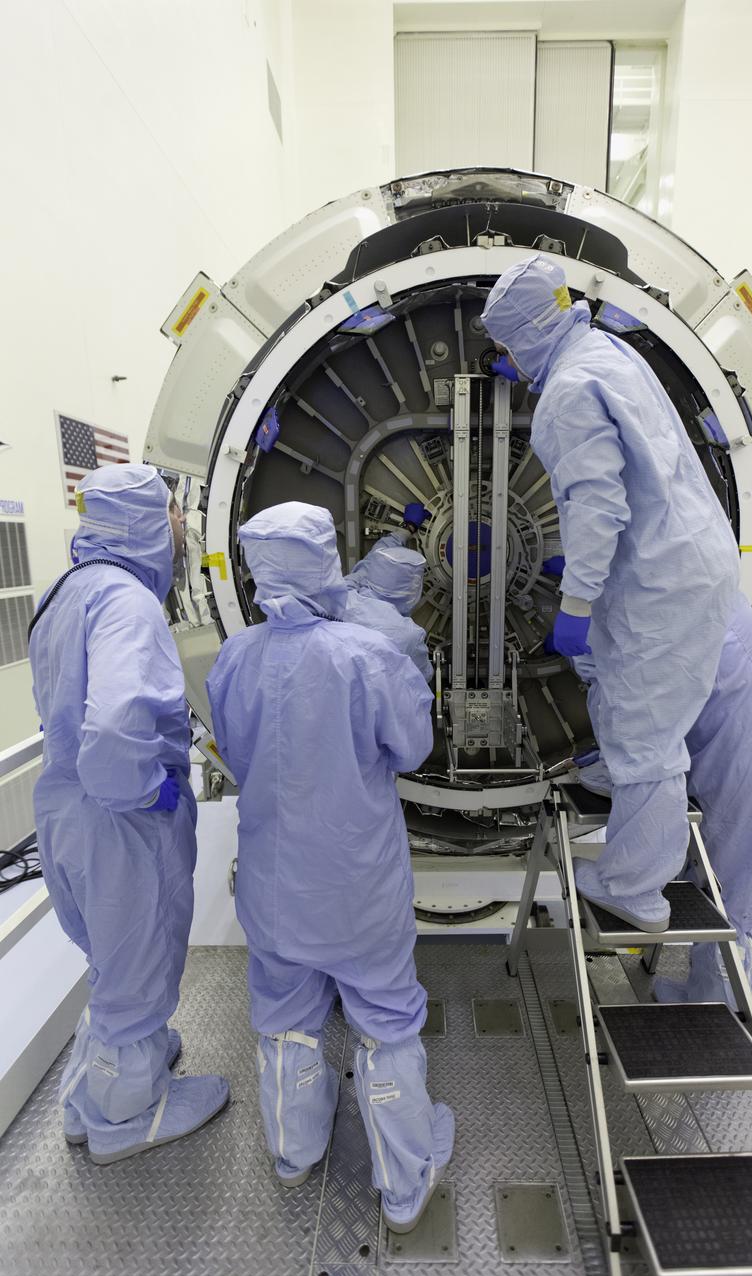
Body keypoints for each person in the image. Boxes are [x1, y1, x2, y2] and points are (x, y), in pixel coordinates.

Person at [206, 502, 453, 1232]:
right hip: (355, 880)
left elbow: (238, 755)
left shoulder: (233, 658)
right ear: (326, 564)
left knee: (284, 1014)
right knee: (383, 1015)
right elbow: (411, 750)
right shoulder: (367, 656)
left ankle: (293, 1153)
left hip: (273, 880)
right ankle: (405, 1183)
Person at [483, 254, 740, 931]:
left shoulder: (568, 391)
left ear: (529, 333)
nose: (506, 360)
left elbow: (595, 506)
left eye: (507, 346)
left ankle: (634, 887)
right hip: (679, 554)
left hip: (659, 572)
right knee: (617, 674)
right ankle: (615, 774)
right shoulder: (605, 351)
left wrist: (574, 604)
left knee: (647, 730)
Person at [29, 464, 229, 1164]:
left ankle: (95, 1092)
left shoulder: (67, 592)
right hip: (118, 821)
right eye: (174, 517)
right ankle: (127, 1114)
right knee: (138, 957)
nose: (180, 532)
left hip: (65, 813)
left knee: (112, 961)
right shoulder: (126, 603)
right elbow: (114, 731)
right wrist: (148, 791)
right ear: (145, 522)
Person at [559, 581, 752, 1003]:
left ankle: (716, 1002)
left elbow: (629, 706)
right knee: (747, 874)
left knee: (729, 882)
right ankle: (720, 989)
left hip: (738, 756)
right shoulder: (694, 585)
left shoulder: (634, 615)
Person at [344, 504, 433, 683]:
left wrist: (406, 529)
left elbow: (369, 565)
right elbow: (424, 679)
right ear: (414, 589)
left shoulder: (344, 599)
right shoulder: (410, 637)